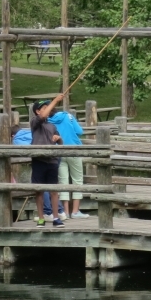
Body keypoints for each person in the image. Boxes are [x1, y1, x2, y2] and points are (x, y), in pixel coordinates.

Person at [29, 96, 65, 227]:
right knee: (39, 190)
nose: (47, 110)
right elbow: (43, 116)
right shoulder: (34, 122)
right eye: (44, 108)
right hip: (38, 160)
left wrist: (59, 139)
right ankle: (41, 218)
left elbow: (60, 144)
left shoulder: (52, 126)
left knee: (53, 190)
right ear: (37, 111)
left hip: (52, 161)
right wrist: (55, 100)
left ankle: (56, 218)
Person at [48, 110, 88, 218]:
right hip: (73, 149)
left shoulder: (47, 120)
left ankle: (65, 212)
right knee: (77, 180)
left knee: (63, 181)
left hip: (58, 152)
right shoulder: (68, 116)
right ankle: (75, 211)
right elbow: (79, 131)